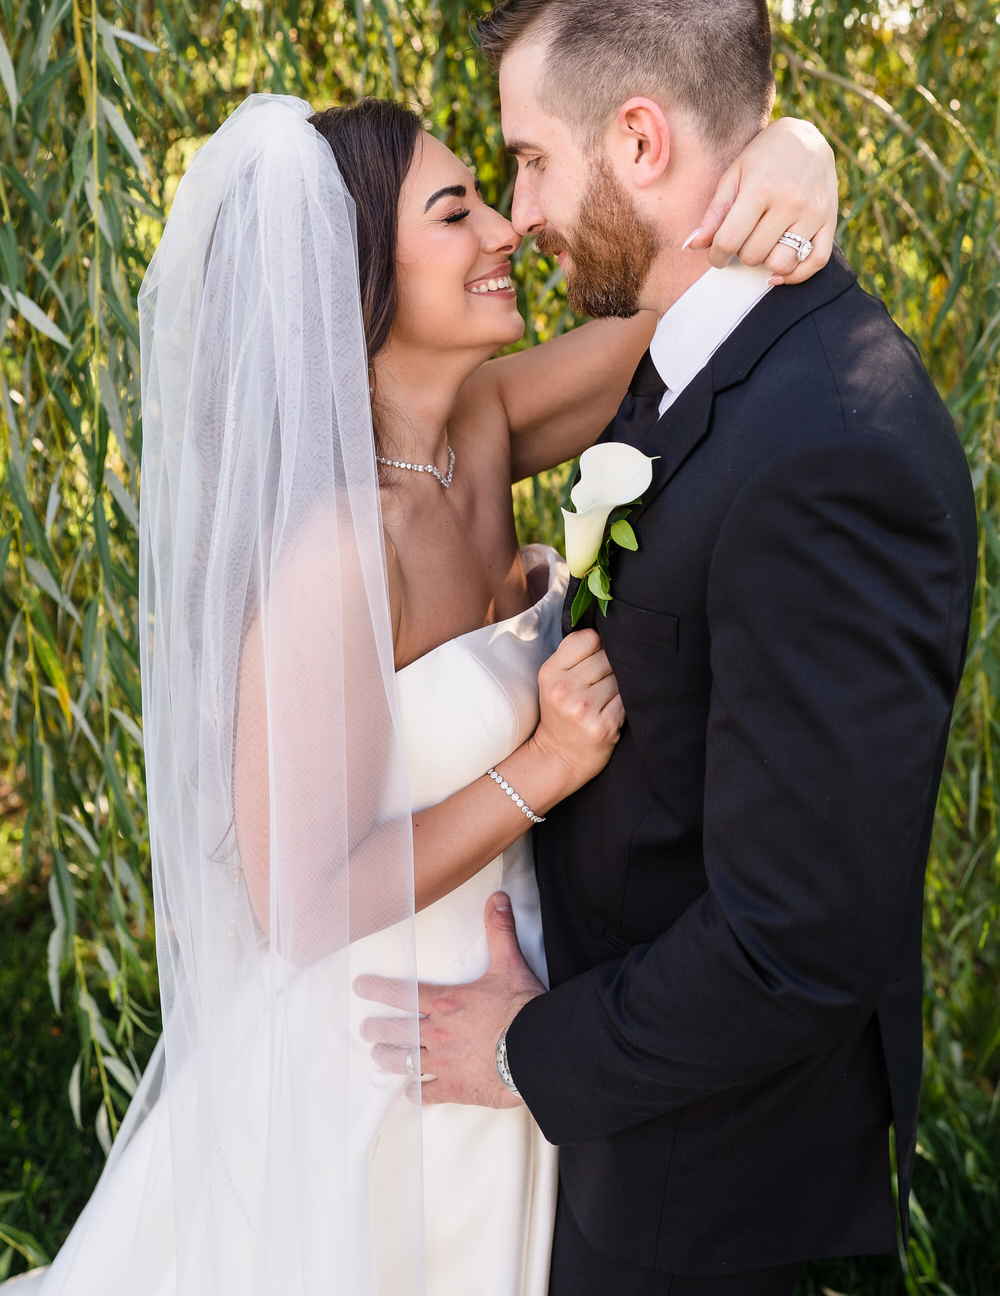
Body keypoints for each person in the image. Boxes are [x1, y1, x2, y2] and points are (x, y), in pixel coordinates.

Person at [4, 84, 837, 1295]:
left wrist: (800, 151)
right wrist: (539, 768)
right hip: (370, 1060)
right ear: (360, 279)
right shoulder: (335, 550)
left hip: (502, 1023)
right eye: (456, 211)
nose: (506, 229)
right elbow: (298, 896)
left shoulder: (484, 425)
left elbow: (700, 312)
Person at [358, 0, 979, 1296]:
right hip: (611, 1150)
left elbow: (797, 934)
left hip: (708, 1205)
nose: (515, 214)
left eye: (525, 160)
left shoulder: (831, 448)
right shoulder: (696, 349)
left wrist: (527, 1050)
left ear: (641, 143)